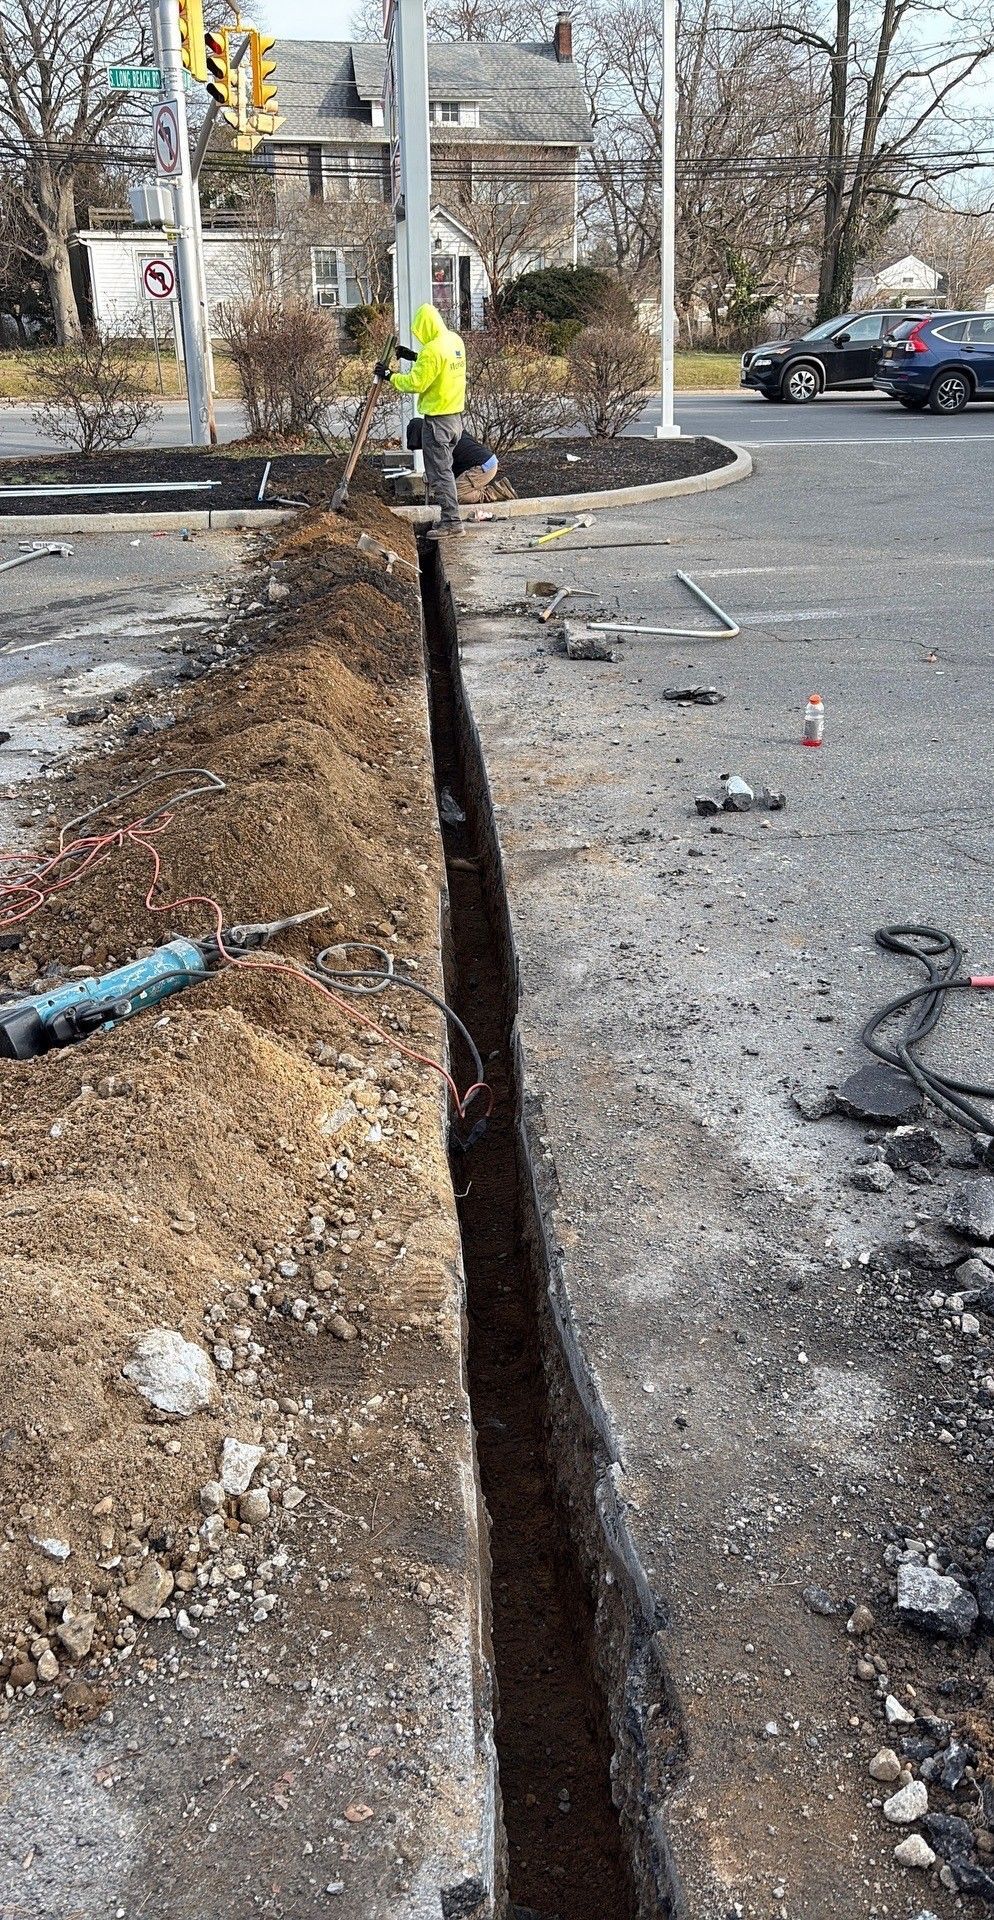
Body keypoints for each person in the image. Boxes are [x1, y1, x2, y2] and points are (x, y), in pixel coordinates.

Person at [381, 304, 466, 538]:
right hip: (455, 419)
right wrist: (413, 356)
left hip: (437, 421)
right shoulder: (454, 340)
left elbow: (416, 383)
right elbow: (439, 366)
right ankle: (451, 518)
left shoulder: (432, 350)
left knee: (440, 474)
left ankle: (452, 522)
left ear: (425, 327)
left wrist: (390, 376)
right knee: (445, 471)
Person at [405, 417, 501, 503]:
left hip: (482, 467)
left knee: (453, 497)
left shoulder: (437, 440)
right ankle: (475, 488)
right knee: (451, 490)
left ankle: (495, 493)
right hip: (487, 462)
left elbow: (443, 468)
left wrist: (431, 475)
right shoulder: (445, 428)